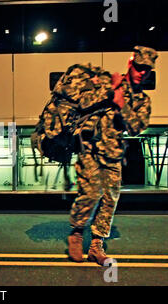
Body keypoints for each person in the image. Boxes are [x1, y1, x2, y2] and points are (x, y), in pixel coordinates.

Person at [67, 46, 158, 265]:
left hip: (114, 153)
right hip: (90, 149)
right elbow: (84, 103)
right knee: (90, 193)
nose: (142, 72)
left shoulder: (143, 100)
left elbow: (137, 127)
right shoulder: (110, 82)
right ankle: (77, 233)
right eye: (138, 67)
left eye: (146, 69)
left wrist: (121, 104)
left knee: (109, 200)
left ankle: (96, 245)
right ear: (130, 63)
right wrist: (111, 91)